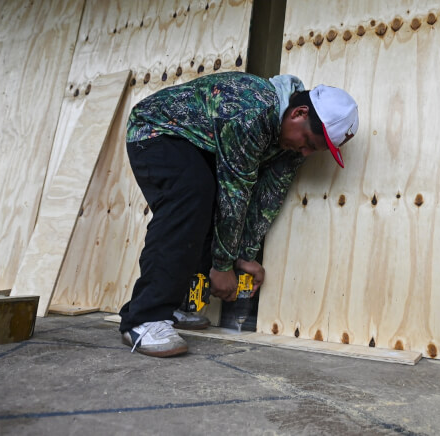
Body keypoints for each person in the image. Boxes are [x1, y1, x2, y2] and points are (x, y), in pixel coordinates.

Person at [119, 71, 359, 357]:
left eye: (314, 150)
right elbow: (236, 193)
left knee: (207, 200)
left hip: (199, 145)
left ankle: (174, 304)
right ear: (299, 112)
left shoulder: (292, 145)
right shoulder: (251, 110)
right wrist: (222, 267)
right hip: (156, 131)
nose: (305, 152)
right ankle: (144, 317)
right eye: (307, 141)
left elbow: (267, 197)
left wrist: (244, 255)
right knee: (191, 196)